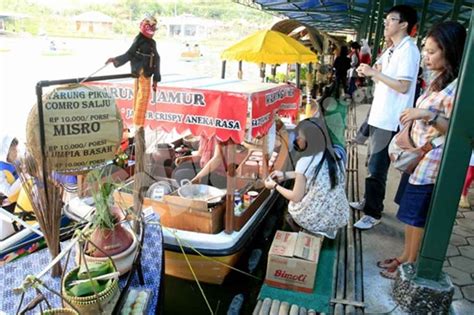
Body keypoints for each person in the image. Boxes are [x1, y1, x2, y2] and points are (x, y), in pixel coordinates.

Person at [377, 21, 466, 279]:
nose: (426, 57)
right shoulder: (441, 80)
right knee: (408, 215)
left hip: (430, 165)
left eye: (431, 52)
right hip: (418, 159)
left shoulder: (459, 88)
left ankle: (411, 264)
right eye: (425, 51)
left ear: (449, 50)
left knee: (416, 218)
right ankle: (406, 256)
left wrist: (425, 114)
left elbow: (456, 129)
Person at [352, 5, 420, 230]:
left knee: (377, 168)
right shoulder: (392, 49)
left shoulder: (408, 50)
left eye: (391, 20)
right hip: (379, 116)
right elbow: (383, 78)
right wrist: (371, 72)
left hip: (390, 119)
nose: (386, 23)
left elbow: (403, 86)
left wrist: (375, 73)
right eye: (385, 20)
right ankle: (368, 201)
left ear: (403, 24)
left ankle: (373, 212)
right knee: (371, 161)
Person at [264, 118, 347, 239]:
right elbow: (314, 174)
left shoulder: (305, 162)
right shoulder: (334, 154)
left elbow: (296, 197)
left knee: (291, 208)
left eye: (300, 137)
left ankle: (301, 229)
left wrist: (275, 186)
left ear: (310, 141)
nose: (297, 139)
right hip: (338, 216)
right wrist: (285, 175)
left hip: (318, 220)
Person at [106, 14, 161, 131]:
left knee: (141, 97)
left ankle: (137, 123)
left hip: (148, 72)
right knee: (142, 97)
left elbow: (156, 58)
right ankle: (138, 124)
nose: (151, 29)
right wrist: (115, 60)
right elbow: (129, 54)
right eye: (149, 26)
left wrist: (156, 78)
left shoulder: (152, 42)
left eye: (153, 26)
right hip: (140, 71)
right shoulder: (139, 39)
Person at [0, 135, 21, 213]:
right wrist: (23, 177)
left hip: (20, 198)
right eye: (14, 149)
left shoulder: (16, 161)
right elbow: (8, 192)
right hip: (9, 206)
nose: (17, 151)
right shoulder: (1, 170)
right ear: (7, 151)